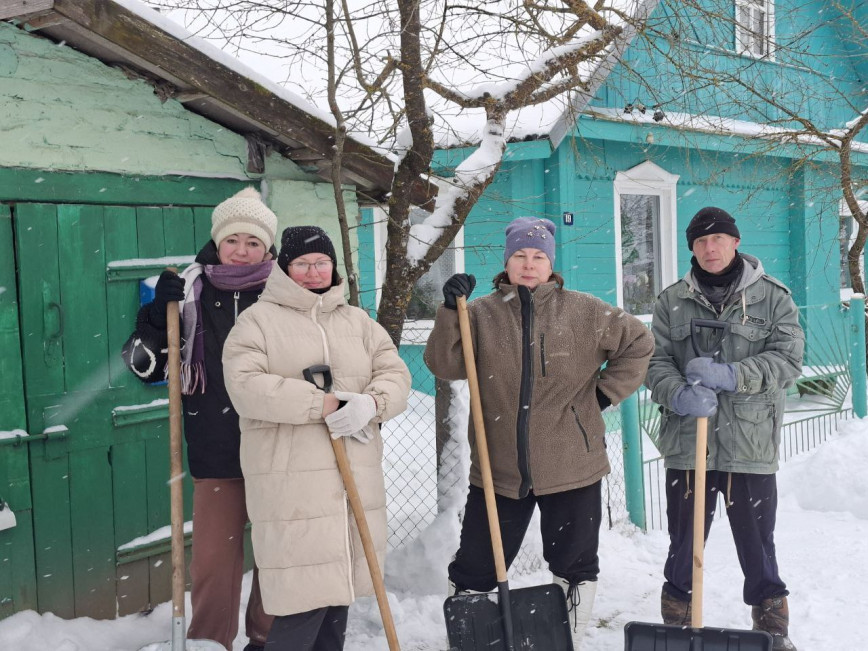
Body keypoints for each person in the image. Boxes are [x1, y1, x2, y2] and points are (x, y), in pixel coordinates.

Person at [424, 216, 654, 649]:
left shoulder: (586, 311)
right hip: (499, 466)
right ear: (506, 261)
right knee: (476, 564)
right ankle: (473, 637)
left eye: (538, 256)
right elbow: (445, 364)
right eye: (519, 255)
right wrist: (451, 313)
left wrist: (600, 396)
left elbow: (639, 343)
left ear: (551, 263)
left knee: (574, 564)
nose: (528, 264)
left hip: (572, 463)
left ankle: (567, 637)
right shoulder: (480, 314)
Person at [221, 225, 411, 651]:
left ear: (333, 266)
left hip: (352, 483)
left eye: (321, 263)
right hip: (293, 486)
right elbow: (245, 387)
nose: (313, 272)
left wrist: (371, 404)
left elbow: (395, 374)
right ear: (284, 269)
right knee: (302, 601)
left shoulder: (357, 322)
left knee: (337, 596)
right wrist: (321, 404)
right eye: (302, 264)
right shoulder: (257, 322)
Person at [121, 187, 277, 650]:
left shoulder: (286, 292)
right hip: (215, 446)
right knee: (212, 562)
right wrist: (155, 316)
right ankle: (211, 642)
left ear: (268, 247)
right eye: (233, 240)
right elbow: (143, 366)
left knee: (276, 557)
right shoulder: (189, 291)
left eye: (253, 242)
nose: (241, 251)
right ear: (217, 241)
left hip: (278, 447)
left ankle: (268, 638)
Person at [645, 206, 804, 650]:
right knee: (683, 543)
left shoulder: (773, 298)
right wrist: (677, 393)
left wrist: (734, 375)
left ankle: (772, 629)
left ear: (735, 242)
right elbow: (654, 361)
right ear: (692, 248)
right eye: (700, 241)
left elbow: (788, 360)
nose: (709, 248)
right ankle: (677, 625)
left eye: (718, 239)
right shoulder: (671, 300)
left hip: (749, 442)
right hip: (687, 440)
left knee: (758, 545)